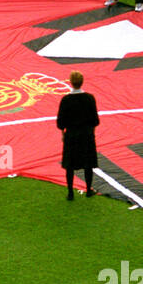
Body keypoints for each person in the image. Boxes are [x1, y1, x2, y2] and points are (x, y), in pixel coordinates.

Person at [56, 71, 99, 199]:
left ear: (71, 82)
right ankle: (88, 190)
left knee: (70, 165)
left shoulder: (66, 100)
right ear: (82, 82)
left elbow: (60, 122)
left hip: (71, 136)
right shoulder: (89, 98)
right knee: (88, 164)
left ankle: (70, 192)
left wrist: (63, 133)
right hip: (86, 135)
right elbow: (95, 120)